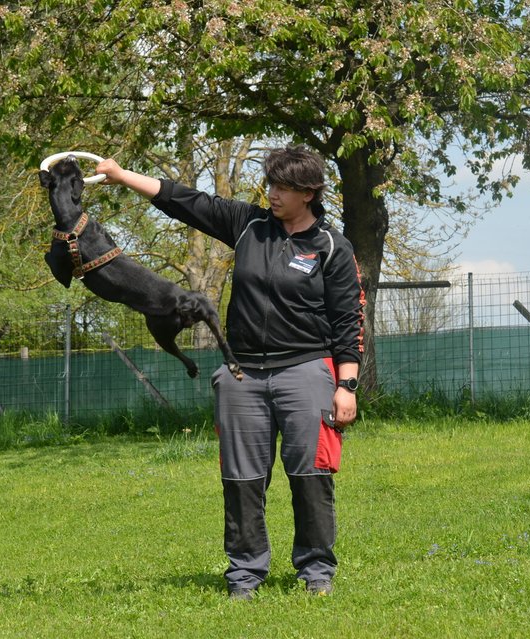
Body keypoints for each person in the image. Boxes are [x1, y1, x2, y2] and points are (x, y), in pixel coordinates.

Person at [96, 145, 365, 600]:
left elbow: (348, 322)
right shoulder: (249, 226)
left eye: (283, 187)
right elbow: (185, 200)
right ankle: (244, 575)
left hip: (305, 370)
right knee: (241, 479)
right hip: (243, 376)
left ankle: (316, 572)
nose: (272, 193)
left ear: (309, 193)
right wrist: (123, 176)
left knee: (310, 476)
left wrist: (346, 386)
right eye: (271, 184)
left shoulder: (332, 247)